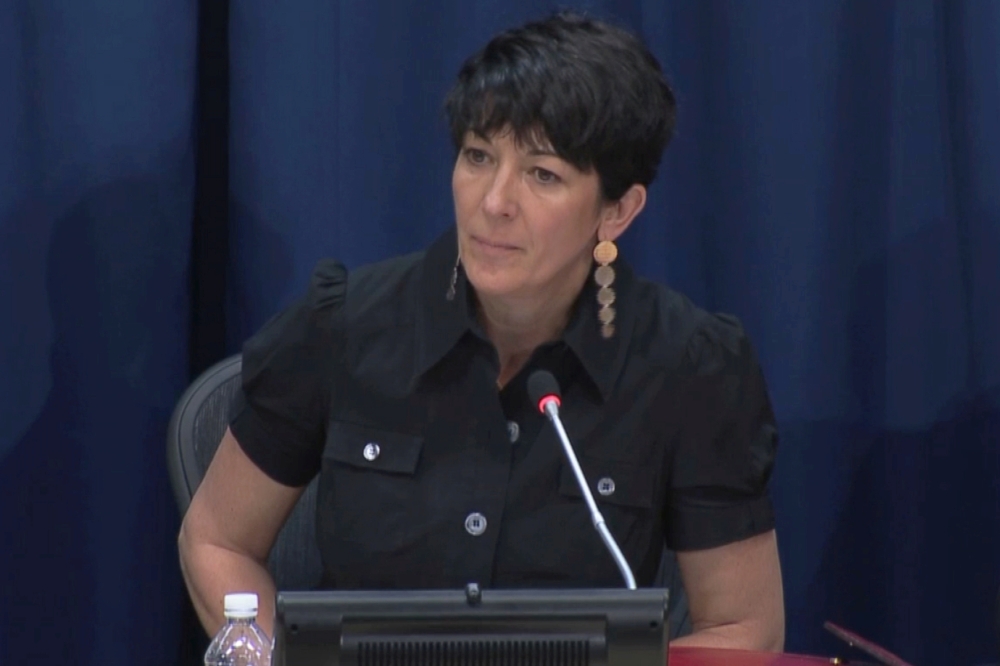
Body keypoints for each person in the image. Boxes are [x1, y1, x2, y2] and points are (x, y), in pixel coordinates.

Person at [178, 11, 785, 651]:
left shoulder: (688, 365)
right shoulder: (345, 326)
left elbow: (742, 627)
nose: (493, 202)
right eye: (478, 156)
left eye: (542, 174)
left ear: (618, 210)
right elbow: (217, 539)